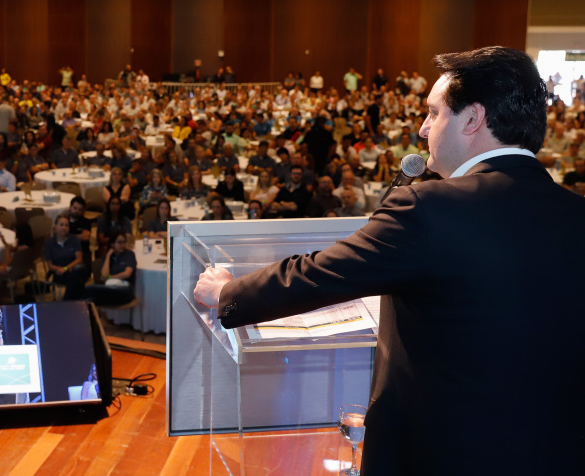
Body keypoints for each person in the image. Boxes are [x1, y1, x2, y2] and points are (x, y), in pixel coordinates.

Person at [193, 47, 585, 475]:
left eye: (434, 114)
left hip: (438, 455)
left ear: (472, 119)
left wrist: (226, 293)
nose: (422, 128)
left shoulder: (429, 207)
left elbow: (318, 274)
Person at [84, 232, 136, 306]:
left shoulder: (129, 254)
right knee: (89, 297)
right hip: (110, 287)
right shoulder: (110, 256)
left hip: (125, 289)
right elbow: (103, 276)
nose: (123, 245)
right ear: (112, 244)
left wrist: (110, 277)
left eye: (124, 242)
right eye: (119, 242)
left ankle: (68, 307)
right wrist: (108, 256)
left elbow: (127, 274)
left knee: (89, 291)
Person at [44, 215, 87, 301]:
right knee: (78, 281)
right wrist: (62, 269)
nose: (64, 227)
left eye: (66, 225)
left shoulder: (74, 239)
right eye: (61, 225)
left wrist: (66, 268)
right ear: (55, 227)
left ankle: (66, 301)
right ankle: (77, 302)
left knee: (78, 270)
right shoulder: (49, 243)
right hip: (59, 273)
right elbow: (50, 266)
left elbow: (79, 259)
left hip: (72, 268)